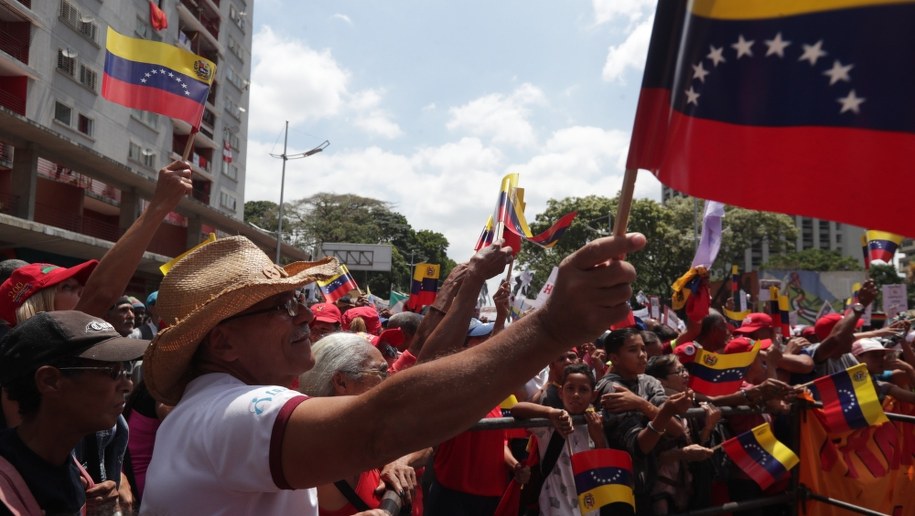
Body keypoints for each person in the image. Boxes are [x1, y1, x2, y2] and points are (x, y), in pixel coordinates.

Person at [139, 232, 644, 514]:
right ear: (222, 341)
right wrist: (552, 327)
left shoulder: (213, 409)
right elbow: (379, 426)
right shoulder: (228, 412)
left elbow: (422, 367)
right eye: (281, 305)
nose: (301, 314)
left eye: (299, 298)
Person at [0, 311, 147, 514]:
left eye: (126, 371)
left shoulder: (72, 472)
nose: (128, 385)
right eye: (112, 372)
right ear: (50, 381)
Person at [299, 333, 422, 515]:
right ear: (342, 382)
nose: (389, 380)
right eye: (381, 372)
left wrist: (401, 459)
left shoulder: (367, 428)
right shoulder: (314, 462)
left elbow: (422, 440)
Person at [510, 363, 607, 516]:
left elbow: (606, 469)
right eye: (570, 388)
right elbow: (516, 409)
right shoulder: (551, 424)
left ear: (593, 396)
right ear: (560, 392)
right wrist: (550, 412)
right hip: (555, 509)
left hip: (591, 510)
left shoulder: (596, 423)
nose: (576, 394)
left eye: (583, 390)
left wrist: (598, 438)